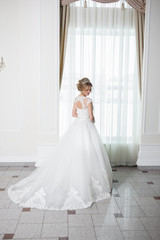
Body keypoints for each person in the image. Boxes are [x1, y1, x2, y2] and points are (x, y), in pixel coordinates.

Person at [8, 78, 113, 210]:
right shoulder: (89, 101)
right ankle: (87, 181)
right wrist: (91, 119)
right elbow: (91, 117)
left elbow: (73, 114)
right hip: (86, 127)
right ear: (81, 88)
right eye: (87, 89)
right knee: (89, 152)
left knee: (77, 152)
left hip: (77, 127)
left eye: (90, 89)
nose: (89, 91)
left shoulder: (76, 100)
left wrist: (80, 116)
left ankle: (79, 178)